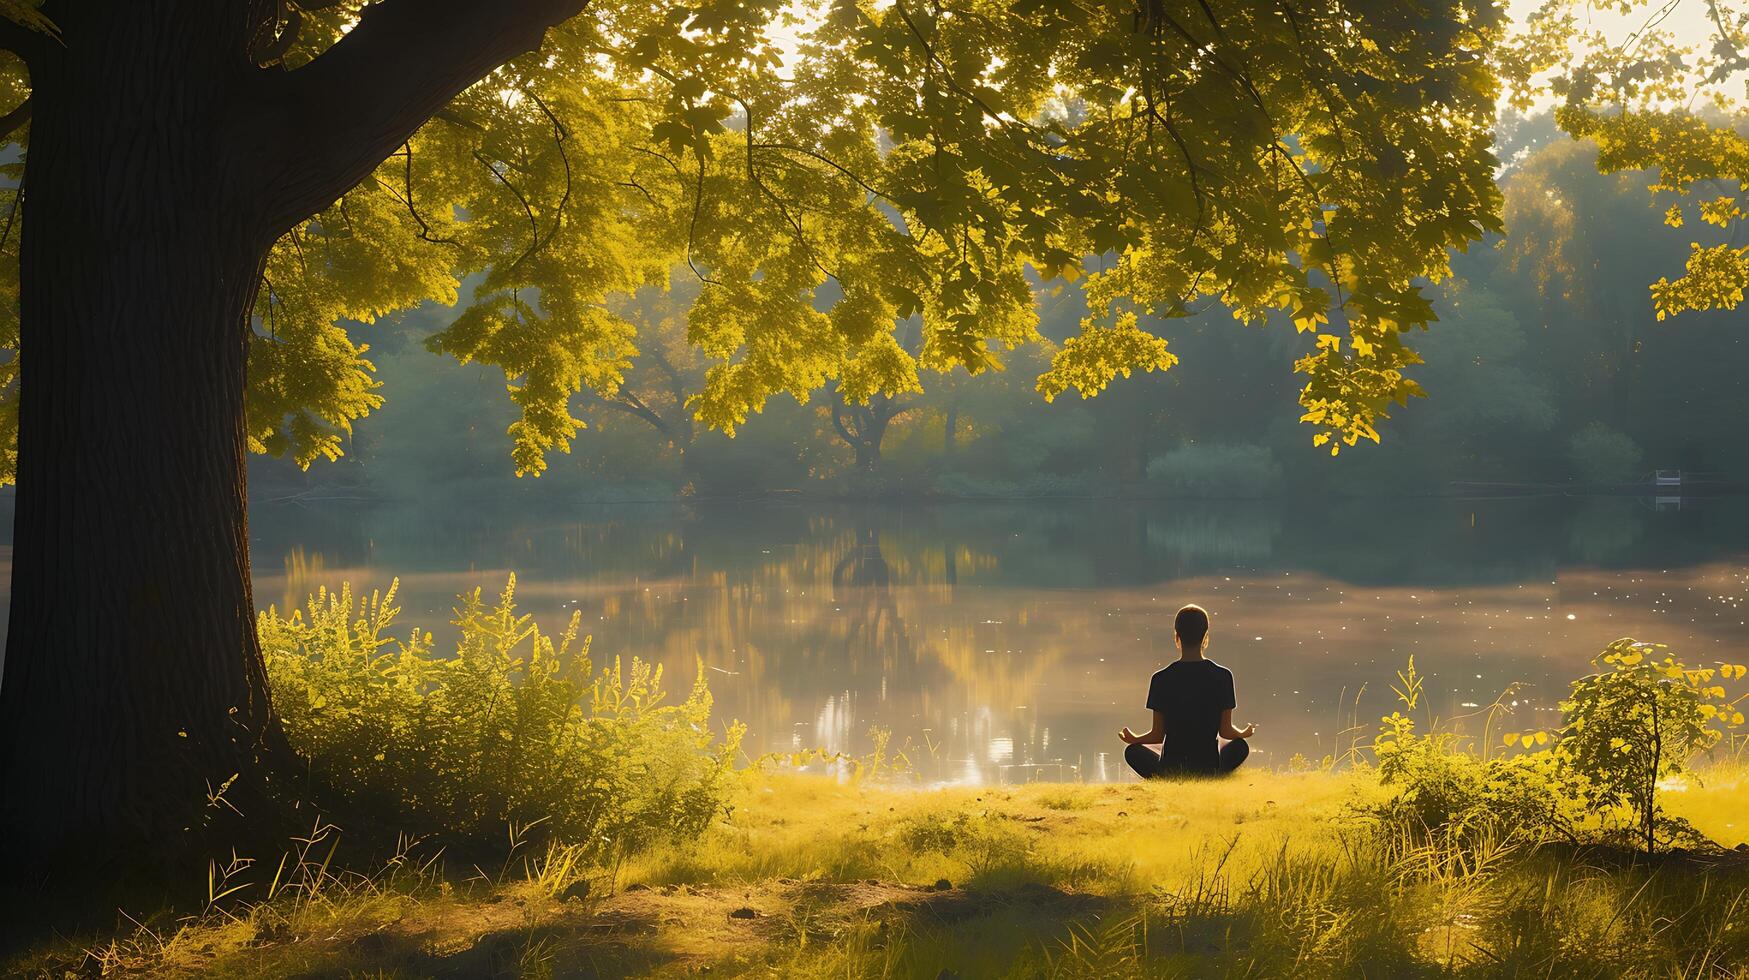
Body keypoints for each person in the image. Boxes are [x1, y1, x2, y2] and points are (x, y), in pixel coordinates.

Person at [1119, 603, 1256, 778]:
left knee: (1133, 751)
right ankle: (1214, 774)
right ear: (1205, 636)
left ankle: (1168, 775)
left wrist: (1134, 739)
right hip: (1208, 763)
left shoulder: (1161, 678)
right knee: (1240, 746)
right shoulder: (1222, 676)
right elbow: (1226, 731)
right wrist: (1244, 733)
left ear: (1177, 636)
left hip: (1171, 764)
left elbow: (1157, 734)